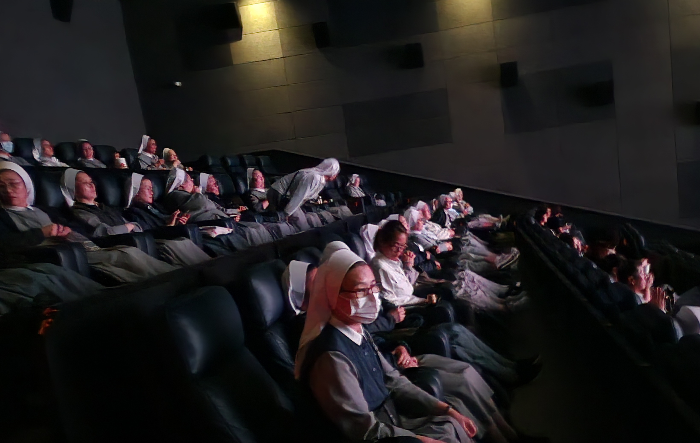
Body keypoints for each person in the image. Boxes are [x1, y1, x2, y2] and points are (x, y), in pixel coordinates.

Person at [295, 247, 478, 443]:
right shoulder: (331, 357)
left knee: (453, 422)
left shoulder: (358, 330)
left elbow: (394, 380)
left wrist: (447, 410)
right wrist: (424, 440)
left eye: (373, 287)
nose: (372, 296)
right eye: (361, 290)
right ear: (332, 295)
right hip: (383, 436)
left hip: (396, 421)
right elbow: (364, 430)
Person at [0, 161, 176, 283]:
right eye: (1, 186)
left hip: (84, 247)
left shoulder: (47, 210)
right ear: (73, 190)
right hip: (64, 254)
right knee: (127, 257)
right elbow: (6, 244)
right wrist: (43, 232)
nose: (8, 190)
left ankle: (177, 278)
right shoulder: (3, 216)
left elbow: (73, 229)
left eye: (13, 184)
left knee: (135, 253)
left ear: (26, 186)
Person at [61, 169, 210, 267]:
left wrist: (132, 227)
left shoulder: (106, 207)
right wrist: (129, 227)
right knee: (170, 247)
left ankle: (207, 267)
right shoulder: (80, 212)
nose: (92, 185)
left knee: (182, 241)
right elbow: (104, 232)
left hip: (137, 238)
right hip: (122, 244)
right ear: (72, 189)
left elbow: (133, 226)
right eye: (85, 183)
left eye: (92, 182)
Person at [163, 168, 273, 247]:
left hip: (223, 219)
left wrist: (235, 212)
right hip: (210, 223)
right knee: (250, 232)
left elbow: (219, 208)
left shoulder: (194, 195)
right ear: (181, 184)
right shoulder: (175, 195)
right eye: (189, 179)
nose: (192, 180)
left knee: (258, 227)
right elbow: (201, 203)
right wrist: (197, 193)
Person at [268, 158, 340, 232]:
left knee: (301, 222)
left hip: (288, 197)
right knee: (300, 224)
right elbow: (299, 195)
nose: (336, 175)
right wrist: (287, 213)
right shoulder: (314, 177)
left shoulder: (320, 179)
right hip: (278, 193)